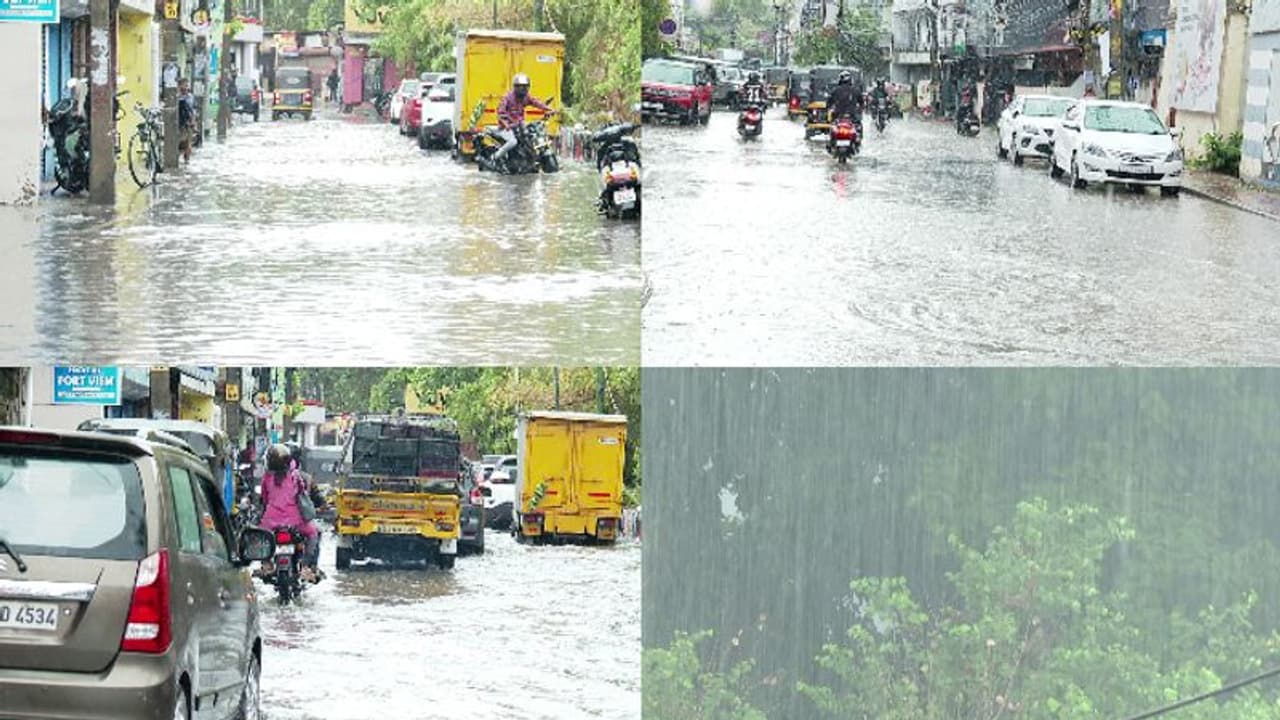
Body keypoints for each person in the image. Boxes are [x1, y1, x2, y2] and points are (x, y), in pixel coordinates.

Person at [259, 443, 321, 583]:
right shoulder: (297, 476)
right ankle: (305, 566)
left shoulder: (267, 478)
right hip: (296, 521)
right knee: (313, 534)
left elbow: (264, 498)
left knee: (261, 536)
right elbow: (302, 494)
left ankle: (266, 563)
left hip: (270, 521)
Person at [490, 73, 555, 168]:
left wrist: (547, 109)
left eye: (525, 87)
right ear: (515, 87)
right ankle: (495, 158)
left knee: (530, 137)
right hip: (506, 127)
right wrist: (506, 123)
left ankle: (530, 160)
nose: (523, 89)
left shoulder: (526, 97)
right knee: (513, 142)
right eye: (520, 86)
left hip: (519, 124)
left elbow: (536, 102)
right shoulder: (508, 98)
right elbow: (500, 112)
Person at [826, 71, 864, 140]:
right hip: (852, 116)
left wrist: (829, 108)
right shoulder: (856, 90)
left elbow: (829, 103)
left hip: (839, 116)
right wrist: (860, 109)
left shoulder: (835, 90)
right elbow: (862, 103)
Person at [177, 79, 196, 164]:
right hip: (177, 122)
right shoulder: (176, 96)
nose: (185, 87)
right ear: (179, 86)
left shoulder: (190, 97)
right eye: (184, 85)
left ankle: (186, 161)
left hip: (187, 122)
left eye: (187, 85)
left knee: (188, 143)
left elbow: (191, 110)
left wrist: (193, 120)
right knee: (178, 142)